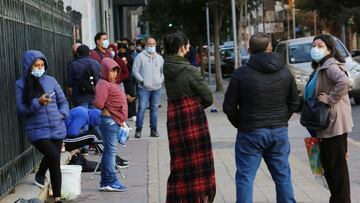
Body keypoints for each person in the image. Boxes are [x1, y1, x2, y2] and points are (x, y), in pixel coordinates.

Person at [223, 32, 299, 203]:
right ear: (270, 49)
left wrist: (241, 123)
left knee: (245, 177)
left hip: (250, 132)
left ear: (249, 50)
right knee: (283, 176)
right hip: (278, 131)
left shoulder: (240, 74)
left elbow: (228, 106)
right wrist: (281, 119)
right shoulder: (285, 72)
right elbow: (294, 103)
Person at [163, 32, 216, 203]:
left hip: (174, 117)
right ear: (181, 47)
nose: (189, 47)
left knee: (179, 163)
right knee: (198, 164)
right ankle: (198, 198)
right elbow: (208, 97)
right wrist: (197, 103)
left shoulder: (167, 66)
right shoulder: (189, 70)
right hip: (192, 118)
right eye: (187, 45)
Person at [15, 50, 69, 203]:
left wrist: (62, 114)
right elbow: (21, 109)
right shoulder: (20, 84)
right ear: (29, 67)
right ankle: (41, 174)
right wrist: (38, 103)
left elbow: (63, 101)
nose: (40, 68)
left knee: (54, 161)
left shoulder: (51, 81)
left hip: (57, 126)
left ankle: (57, 197)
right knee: (54, 155)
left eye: (42, 65)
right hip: (37, 131)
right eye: (36, 65)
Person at [305, 34, 353, 203]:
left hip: (333, 124)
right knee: (329, 167)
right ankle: (338, 199)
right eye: (313, 46)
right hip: (324, 124)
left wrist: (330, 99)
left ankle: (341, 200)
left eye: (320, 46)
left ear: (330, 49)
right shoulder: (320, 67)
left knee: (336, 169)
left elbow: (344, 82)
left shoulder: (330, 66)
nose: (315, 49)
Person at [93, 58, 128, 192]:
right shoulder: (103, 84)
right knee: (110, 152)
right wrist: (110, 108)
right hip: (109, 122)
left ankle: (105, 181)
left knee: (109, 151)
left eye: (116, 71)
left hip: (114, 121)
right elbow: (99, 103)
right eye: (112, 71)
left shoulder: (110, 83)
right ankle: (111, 181)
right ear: (105, 70)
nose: (114, 74)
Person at [64, 106, 129, 168]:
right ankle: (113, 159)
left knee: (93, 134)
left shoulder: (84, 112)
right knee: (93, 135)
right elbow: (72, 133)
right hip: (63, 142)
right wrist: (82, 133)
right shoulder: (83, 114)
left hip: (64, 139)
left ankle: (113, 157)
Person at [132, 37, 164, 138]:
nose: (151, 46)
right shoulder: (140, 57)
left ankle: (154, 130)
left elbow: (162, 72)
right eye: (149, 44)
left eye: (153, 44)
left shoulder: (159, 58)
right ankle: (138, 129)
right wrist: (142, 81)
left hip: (157, 88)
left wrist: (160, 80)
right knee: (141, 108)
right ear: (146, 45)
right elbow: (135, 71)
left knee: (154, 109)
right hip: (143, 88)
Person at [119, 43, 137, 121]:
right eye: (120, 49)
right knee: (123, 95)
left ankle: (132, 113)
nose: (122, 50)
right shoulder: (117, 57)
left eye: (123, 49)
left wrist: (126, 64)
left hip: (129, 79)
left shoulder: (129, 56)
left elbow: (132, 67)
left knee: (131, 95)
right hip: (120, 78)